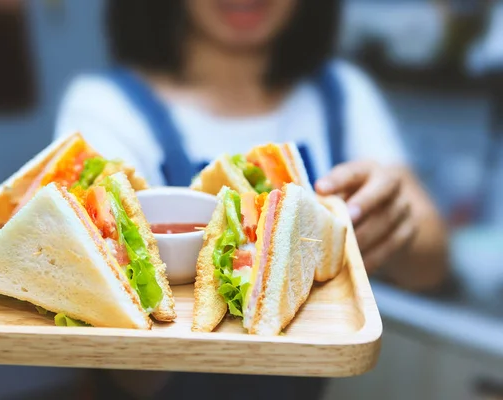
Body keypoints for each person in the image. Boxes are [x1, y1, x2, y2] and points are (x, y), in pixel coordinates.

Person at [54, 1, 449, 398]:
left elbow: (429, 267)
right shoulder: (106, 106)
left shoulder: (342, 93)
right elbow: (129, 374)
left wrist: (391, 223)